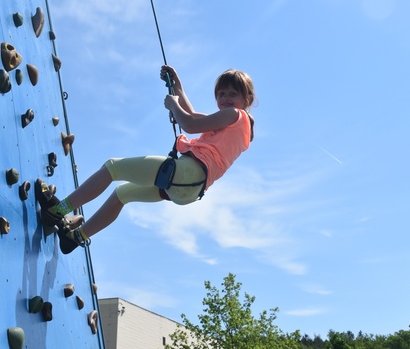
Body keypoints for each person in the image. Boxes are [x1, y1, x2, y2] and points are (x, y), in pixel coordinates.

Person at [36, 65, 255, 254]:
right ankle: (75, 238)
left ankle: (56, 211)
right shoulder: (238, 130)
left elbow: (189, 123)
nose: (225, 99)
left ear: (247, 100)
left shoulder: (236, 115)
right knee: (121, 195)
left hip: (187, 173)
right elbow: (193, 114)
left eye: (232, 94)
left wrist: (173, 105)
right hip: (190, 190)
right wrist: (177, 86)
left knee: (113, 168)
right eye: (221, 94)